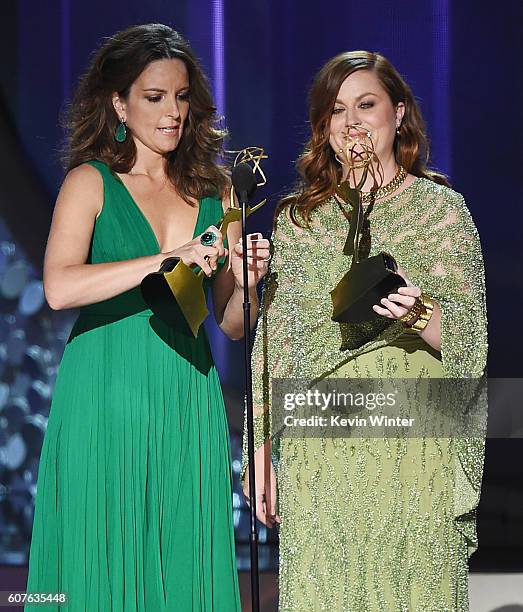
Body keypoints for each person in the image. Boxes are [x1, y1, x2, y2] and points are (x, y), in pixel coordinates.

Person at [25, 23, 270, 611]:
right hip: (105, 391)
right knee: (97, 558)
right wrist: (167, 258)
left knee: (184, 556)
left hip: (186, 392)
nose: (172, 113)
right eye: (155, 97)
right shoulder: (90, 182)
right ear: (119, 103)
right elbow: (59, 287)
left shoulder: (218, 190)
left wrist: (248, 282)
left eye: (182, 97)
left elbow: (232, 323)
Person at [243, 51, 487, 611]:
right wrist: (260, 450)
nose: (351, 122)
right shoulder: (299, 218)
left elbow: (469, 339)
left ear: (399, 114)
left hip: (414, 439)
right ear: (323, 129)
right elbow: (277, 341)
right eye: (336, 111)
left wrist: (417, 312)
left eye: (366, 105)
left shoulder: (440, 211)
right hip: (321, 444)